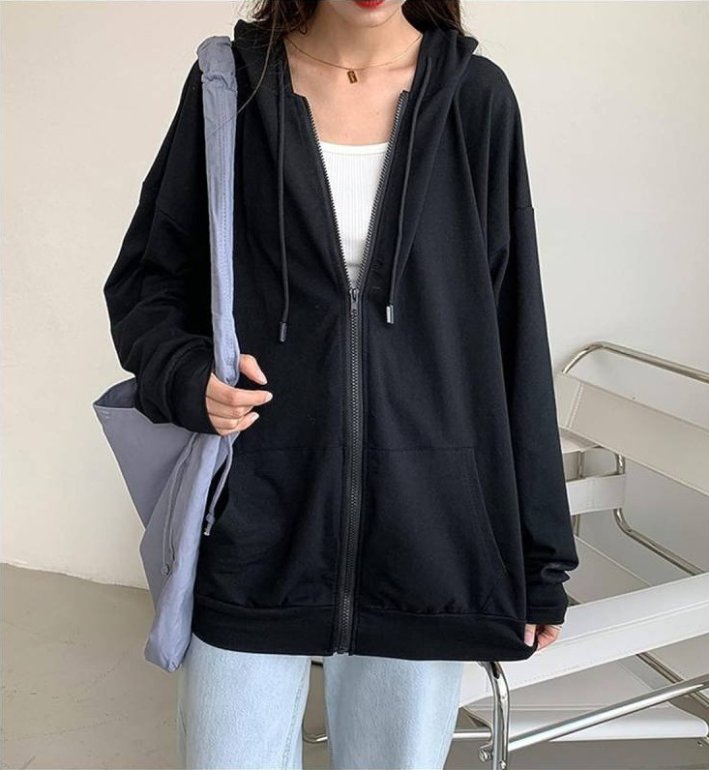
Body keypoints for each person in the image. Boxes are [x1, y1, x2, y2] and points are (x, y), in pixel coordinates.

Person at [102, 0, 579, 767]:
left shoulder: (476, 98)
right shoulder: (232, 87)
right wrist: (188, 377)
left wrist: (539, 556)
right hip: (256, 517)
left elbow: (513, 331)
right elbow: (150, 284)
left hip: (427, 533)